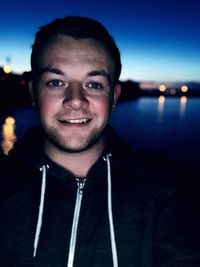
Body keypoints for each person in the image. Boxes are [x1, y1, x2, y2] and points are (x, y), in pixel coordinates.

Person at [0, 16, 200, 267]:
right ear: (33, 92)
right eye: (55, 82)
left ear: (114, 96)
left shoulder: (162, 192)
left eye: (93, 84)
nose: (75, 100)